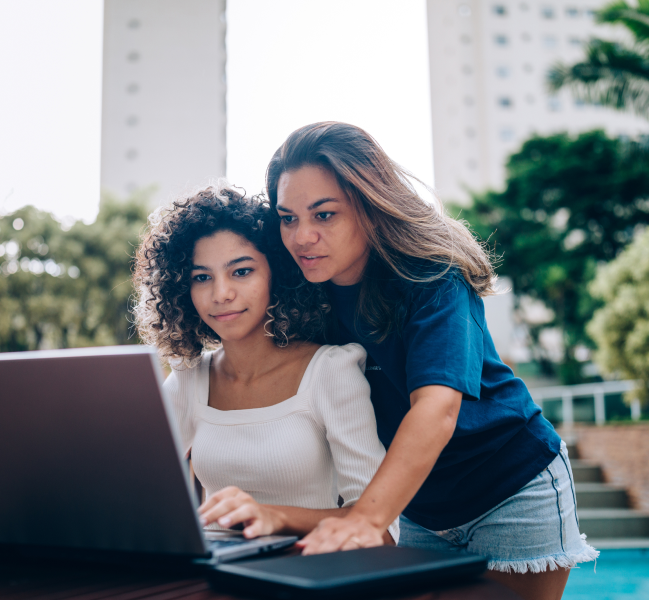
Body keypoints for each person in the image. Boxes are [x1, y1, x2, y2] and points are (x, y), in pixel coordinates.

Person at [265, 122, 597, 600]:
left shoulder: (433, 277)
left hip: (510, 486)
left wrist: (366, 518)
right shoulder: (305, 298)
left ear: (369, 205)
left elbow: (436, 409)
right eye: (288, 218)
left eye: (324, 214)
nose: (302, 237)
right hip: (417, 507)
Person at [132, 183, 399, 543]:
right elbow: (134, 489)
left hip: (301, 574)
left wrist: (274, 517)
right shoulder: (189, 379)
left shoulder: (329, 371)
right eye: (201, 277)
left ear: (277, 274)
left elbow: (381, 530)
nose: (221, 293)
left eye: (241, 271)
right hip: (212, 573)